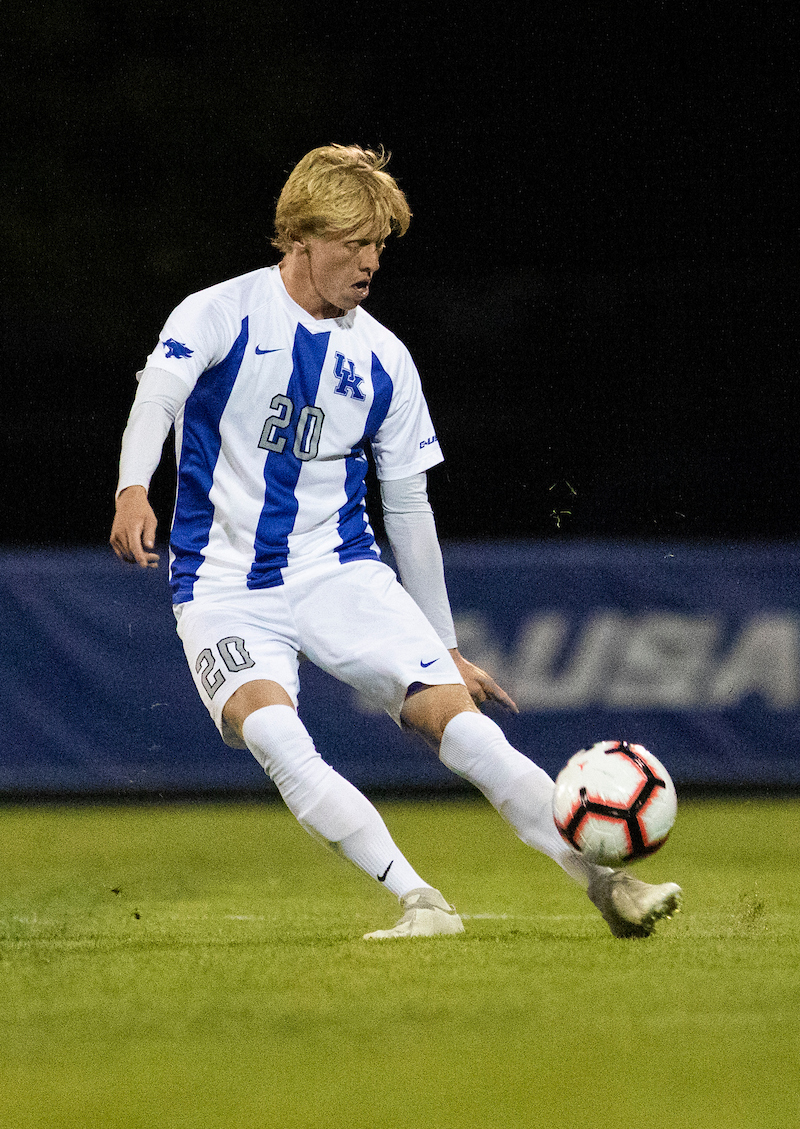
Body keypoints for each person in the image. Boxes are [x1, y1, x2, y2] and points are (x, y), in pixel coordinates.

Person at [110, 144, 681, 940]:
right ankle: (421, 901)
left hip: (339, 571)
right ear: (300, 236)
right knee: (274, 733)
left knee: (464, 725)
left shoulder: (383, 357)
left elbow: (409, 507)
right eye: (355, 242)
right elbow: (159, 398)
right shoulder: (219, 313)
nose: (371, 260)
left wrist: (444, 645)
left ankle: (609, 883)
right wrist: (132, 487)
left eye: (379, 244)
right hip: (222, 584)